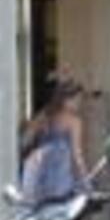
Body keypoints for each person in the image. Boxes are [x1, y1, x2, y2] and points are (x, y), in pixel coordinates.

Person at [16, 77, 85, 208]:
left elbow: (24, 141)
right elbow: (77, 155)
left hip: (39, 174)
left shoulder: (43, 115)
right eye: (78, 99)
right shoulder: (74, 121)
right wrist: (85, 182)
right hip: (60, 176)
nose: (79, 103)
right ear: (69, 99)